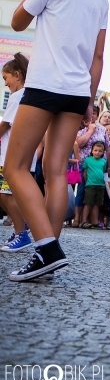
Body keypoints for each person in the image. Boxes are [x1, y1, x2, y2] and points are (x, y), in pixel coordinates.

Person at [7, 0, 108, 281]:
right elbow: (98, 57)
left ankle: (46, 247)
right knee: (55, 171)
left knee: (14, 166)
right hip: (78, 90)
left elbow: (17, 22)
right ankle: (48, 253)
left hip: (46, 84)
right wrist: (90, 101)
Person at [0, 54, 34, 251]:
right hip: (12, 153)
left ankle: (21, 234)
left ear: (17, 74)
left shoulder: (17, 96)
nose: (6, 83)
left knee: (7, 196)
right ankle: (21, 225)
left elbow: (5, 124)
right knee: (4, 195)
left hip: (13, 155)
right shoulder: (24, 95)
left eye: (6, 78)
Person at [79, 142, 108, 235]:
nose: (97, 152)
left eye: (100, 151)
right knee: (88, 203)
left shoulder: (104, 161)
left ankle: (95, 222)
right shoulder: (88, 160)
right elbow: (85, 173)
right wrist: (88, 182)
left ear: (103, 152)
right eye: (95, 150)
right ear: (92, 151)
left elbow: (103, 171)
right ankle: (83, 221)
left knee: (97, 204)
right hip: (90, 185)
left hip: (101, 185)